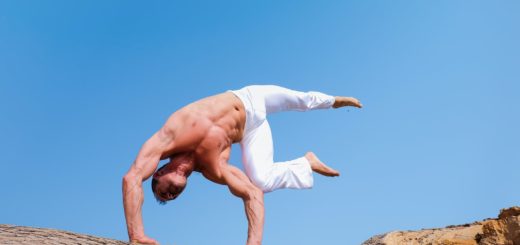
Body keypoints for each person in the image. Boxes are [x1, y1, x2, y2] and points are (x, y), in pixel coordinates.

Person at [122, 85, 362, 245]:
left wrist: (136, 234)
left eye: (162, 191)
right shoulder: (213, 168)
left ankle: (334, 101)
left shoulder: (168, 139)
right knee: (260, 181)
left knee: (301, 100)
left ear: (159, 172)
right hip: (252, 130)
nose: (171, 195)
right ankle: (306, 163)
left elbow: (131, 178)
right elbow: (252, 194)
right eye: (172, 198)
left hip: (249, 97)